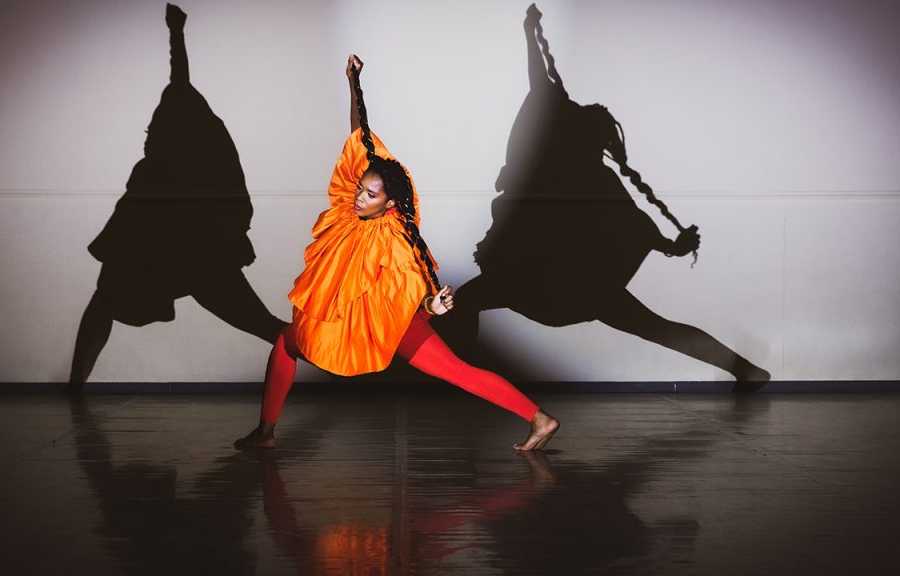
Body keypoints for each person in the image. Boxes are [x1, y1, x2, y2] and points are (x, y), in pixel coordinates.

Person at [234, 55, 559, 451]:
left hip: (390, 323)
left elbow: (414, 280)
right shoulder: (348, 212)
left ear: (389, 203)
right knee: (286, 342)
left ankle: (539, 418)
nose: (359, 197)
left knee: (457, 371)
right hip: (360, 319)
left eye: (370, 194)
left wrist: (431, 304)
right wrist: (354, 84)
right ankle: (265, 432)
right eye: (360, 189)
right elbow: (360, 135)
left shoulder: (395, 234)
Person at [446, 5, 769, 392]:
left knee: (465, 300)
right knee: (657, 329)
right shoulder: (593, 176)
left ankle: (464, 381)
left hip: (538, 284)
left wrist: (529, 33)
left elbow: (542, 88)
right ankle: (746, 370)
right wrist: (673, 246)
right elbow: (639, 228)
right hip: (579, 292)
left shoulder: (564, 168)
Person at [67, 4, 285, 391]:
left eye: (155, 128)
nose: (148, 133)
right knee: (103, 303)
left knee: (262, 324)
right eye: (150, 128)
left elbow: (179, 80)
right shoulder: (157, 173)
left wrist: (176, 34)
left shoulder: (170, 171)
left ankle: (341, 359)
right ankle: (75, 386)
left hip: (195, 258)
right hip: (177, 257)